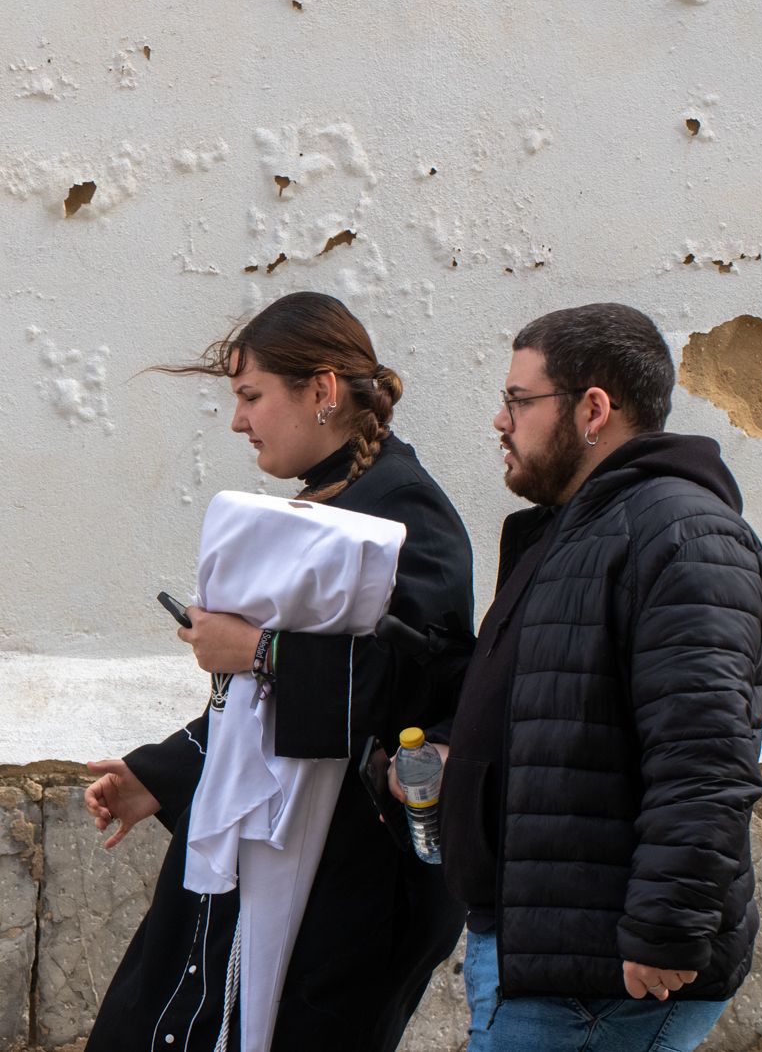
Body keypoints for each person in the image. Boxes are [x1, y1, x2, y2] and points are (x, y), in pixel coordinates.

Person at [84, 292, 474, 1052]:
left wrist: (258, 649)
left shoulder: (407, 517)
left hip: (352, 882)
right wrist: (161, 773)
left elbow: (413, 689)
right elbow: (256, 712)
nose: (238, 421)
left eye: (250, 395)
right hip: (283, 854)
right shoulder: (336, 502)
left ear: (321, 392)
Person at [413, 303, 762, 1051]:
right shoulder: (572, 532)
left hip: (602, 975)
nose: (499, 421)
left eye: (517, 400)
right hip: (539, 945)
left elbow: (703, 757)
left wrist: (663, 929)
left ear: (592, 409)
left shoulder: (681, 534)